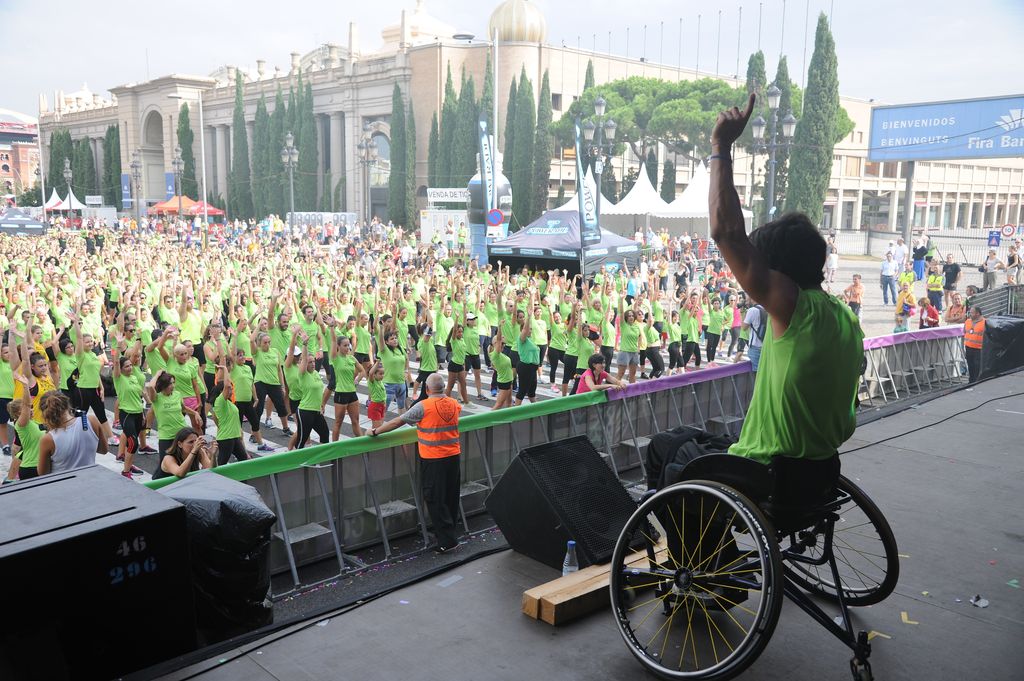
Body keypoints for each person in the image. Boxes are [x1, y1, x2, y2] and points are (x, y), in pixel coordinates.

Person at [707, 93, 864, 467]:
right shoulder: (845, 317)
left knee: (672, 452)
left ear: (776, 272)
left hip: (768, 462)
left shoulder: (789, 303)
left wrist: (721, 146)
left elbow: (726, 232)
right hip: (821, 463)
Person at [369, 374, 462, 553]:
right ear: (442, 388)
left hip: (433, 458)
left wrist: (375, 431)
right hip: (453, 455)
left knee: (435, 497)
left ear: (426, 389)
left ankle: (447, 540)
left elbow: (398, 421)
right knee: (451, 495)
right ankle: (450, 533)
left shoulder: (423, 406)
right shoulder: (453, 403)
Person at [36, 391, 108, 475]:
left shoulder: (48, 438)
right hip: (90, 479)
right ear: (68, 405)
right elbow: (104, 450)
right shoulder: (91, 420)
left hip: (63, 485)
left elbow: (42, 473)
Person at [963, 306, 985, 384]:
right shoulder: (967, 321)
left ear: (977, 313)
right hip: (968, 347)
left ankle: (976, 381)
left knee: (977, 366)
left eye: (972, 313)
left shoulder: (985, 322)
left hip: (979, 348)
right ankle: (971, 380)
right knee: (970, 364)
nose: (970, 314)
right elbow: (964, 332)